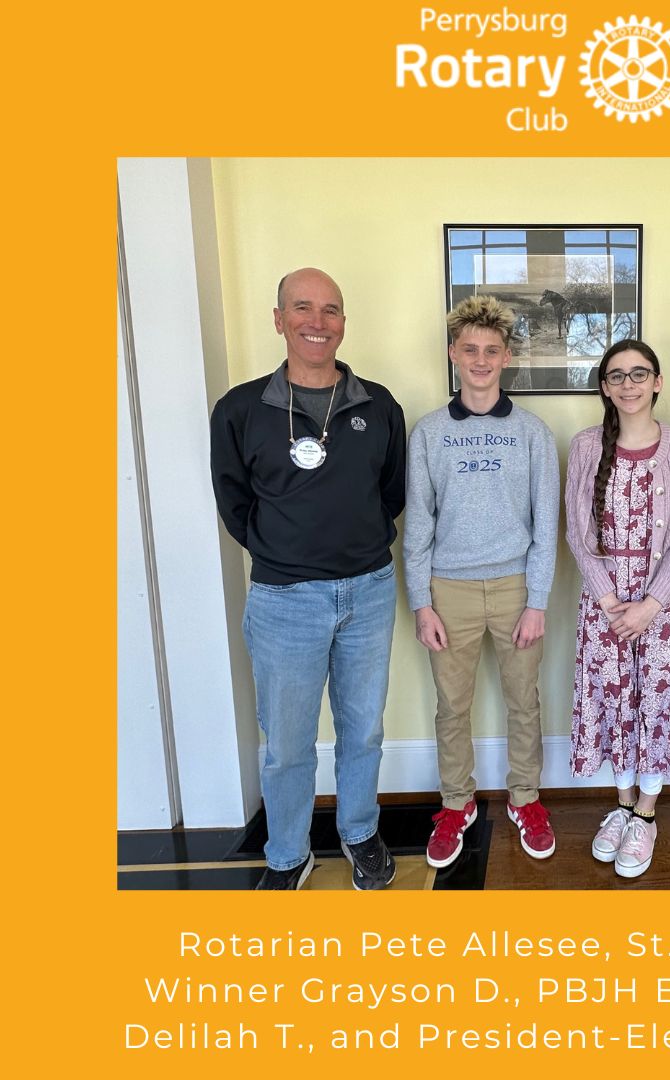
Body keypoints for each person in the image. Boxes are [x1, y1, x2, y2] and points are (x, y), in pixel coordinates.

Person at [210, 267, 405, 890]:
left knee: (363, 729)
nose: (317, 322)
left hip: (368, 592)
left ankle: (359, 831)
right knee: (288, 743)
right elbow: (234, 501)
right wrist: (285, 552)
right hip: (284, 600)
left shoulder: (379, 405)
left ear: (344, 323)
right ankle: (289, 854)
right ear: (279, 319)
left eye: (330, 310)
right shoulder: (241, 409)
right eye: (302, 308)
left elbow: (391, 492)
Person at [404, 295, 560, 870]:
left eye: (491, 350)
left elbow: (547, 524)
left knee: (524, 700)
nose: (480, 360)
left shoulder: (532, 432)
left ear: (506, 357)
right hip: (449, 590)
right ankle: (456, 803)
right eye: (469, 349)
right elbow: (417, 523)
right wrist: (421, 602)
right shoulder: (428, 433)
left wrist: (537, 601)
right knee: (452, 705)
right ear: (453, 353)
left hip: (517, 587)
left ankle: (526, 798)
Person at [565, 340, 670, 878]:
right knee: (613, 697)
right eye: (617, 376)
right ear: (605, 387)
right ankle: (622, 805)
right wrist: (609, 601)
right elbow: (577, 531)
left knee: (656, 698)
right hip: (602, 602)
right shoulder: (585, 446)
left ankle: (646, 814)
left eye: (639, 373)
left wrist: (650, 604)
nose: (629, 384)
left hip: (662, 605)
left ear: (657, 382)